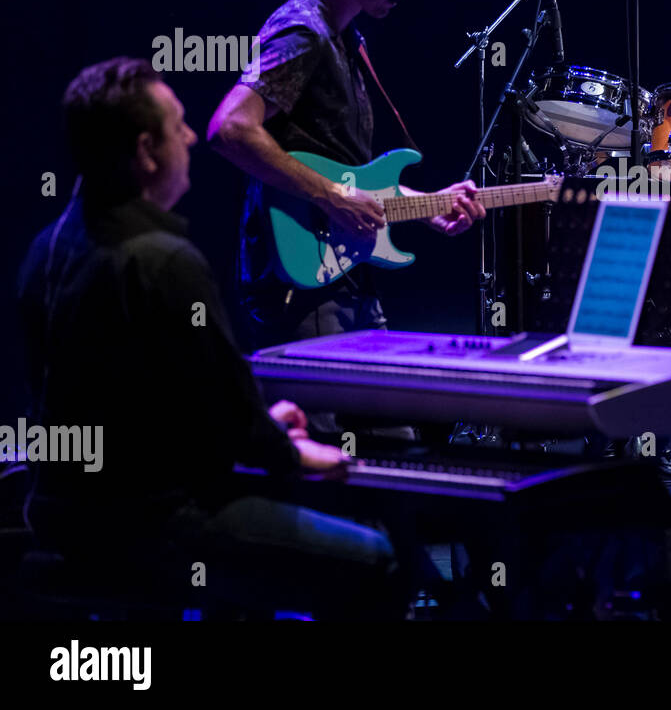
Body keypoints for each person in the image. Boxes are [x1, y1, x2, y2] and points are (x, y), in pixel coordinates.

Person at [18, 58, 402, 617]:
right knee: (376, 558)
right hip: (155, 522)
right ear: (147, 151)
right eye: (179, 126)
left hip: (62, 513)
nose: (194, 136)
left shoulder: (45, 252)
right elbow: (229, 417)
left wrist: (260, 431)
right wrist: (288, 451)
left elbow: (142, 410)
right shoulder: (165, 262)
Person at [207, 0, 486, 348]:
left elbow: (346, 173)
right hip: (305, 291)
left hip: (344, 284)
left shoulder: (343, 35)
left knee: (391, 421)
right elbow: (230, 128)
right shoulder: (304, 30)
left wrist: (430, 205)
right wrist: (333, 196)